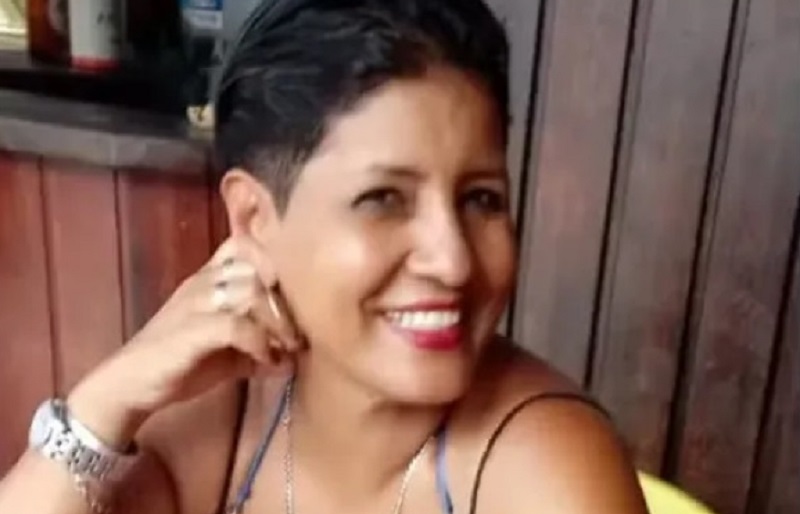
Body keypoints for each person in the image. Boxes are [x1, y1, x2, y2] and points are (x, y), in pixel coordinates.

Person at [0, 0, 649, 513]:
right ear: (255, 220)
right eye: (383, 199)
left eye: (481, 199)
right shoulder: (228, 419)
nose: (453, 261)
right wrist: (108, 399)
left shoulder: (541, 465)